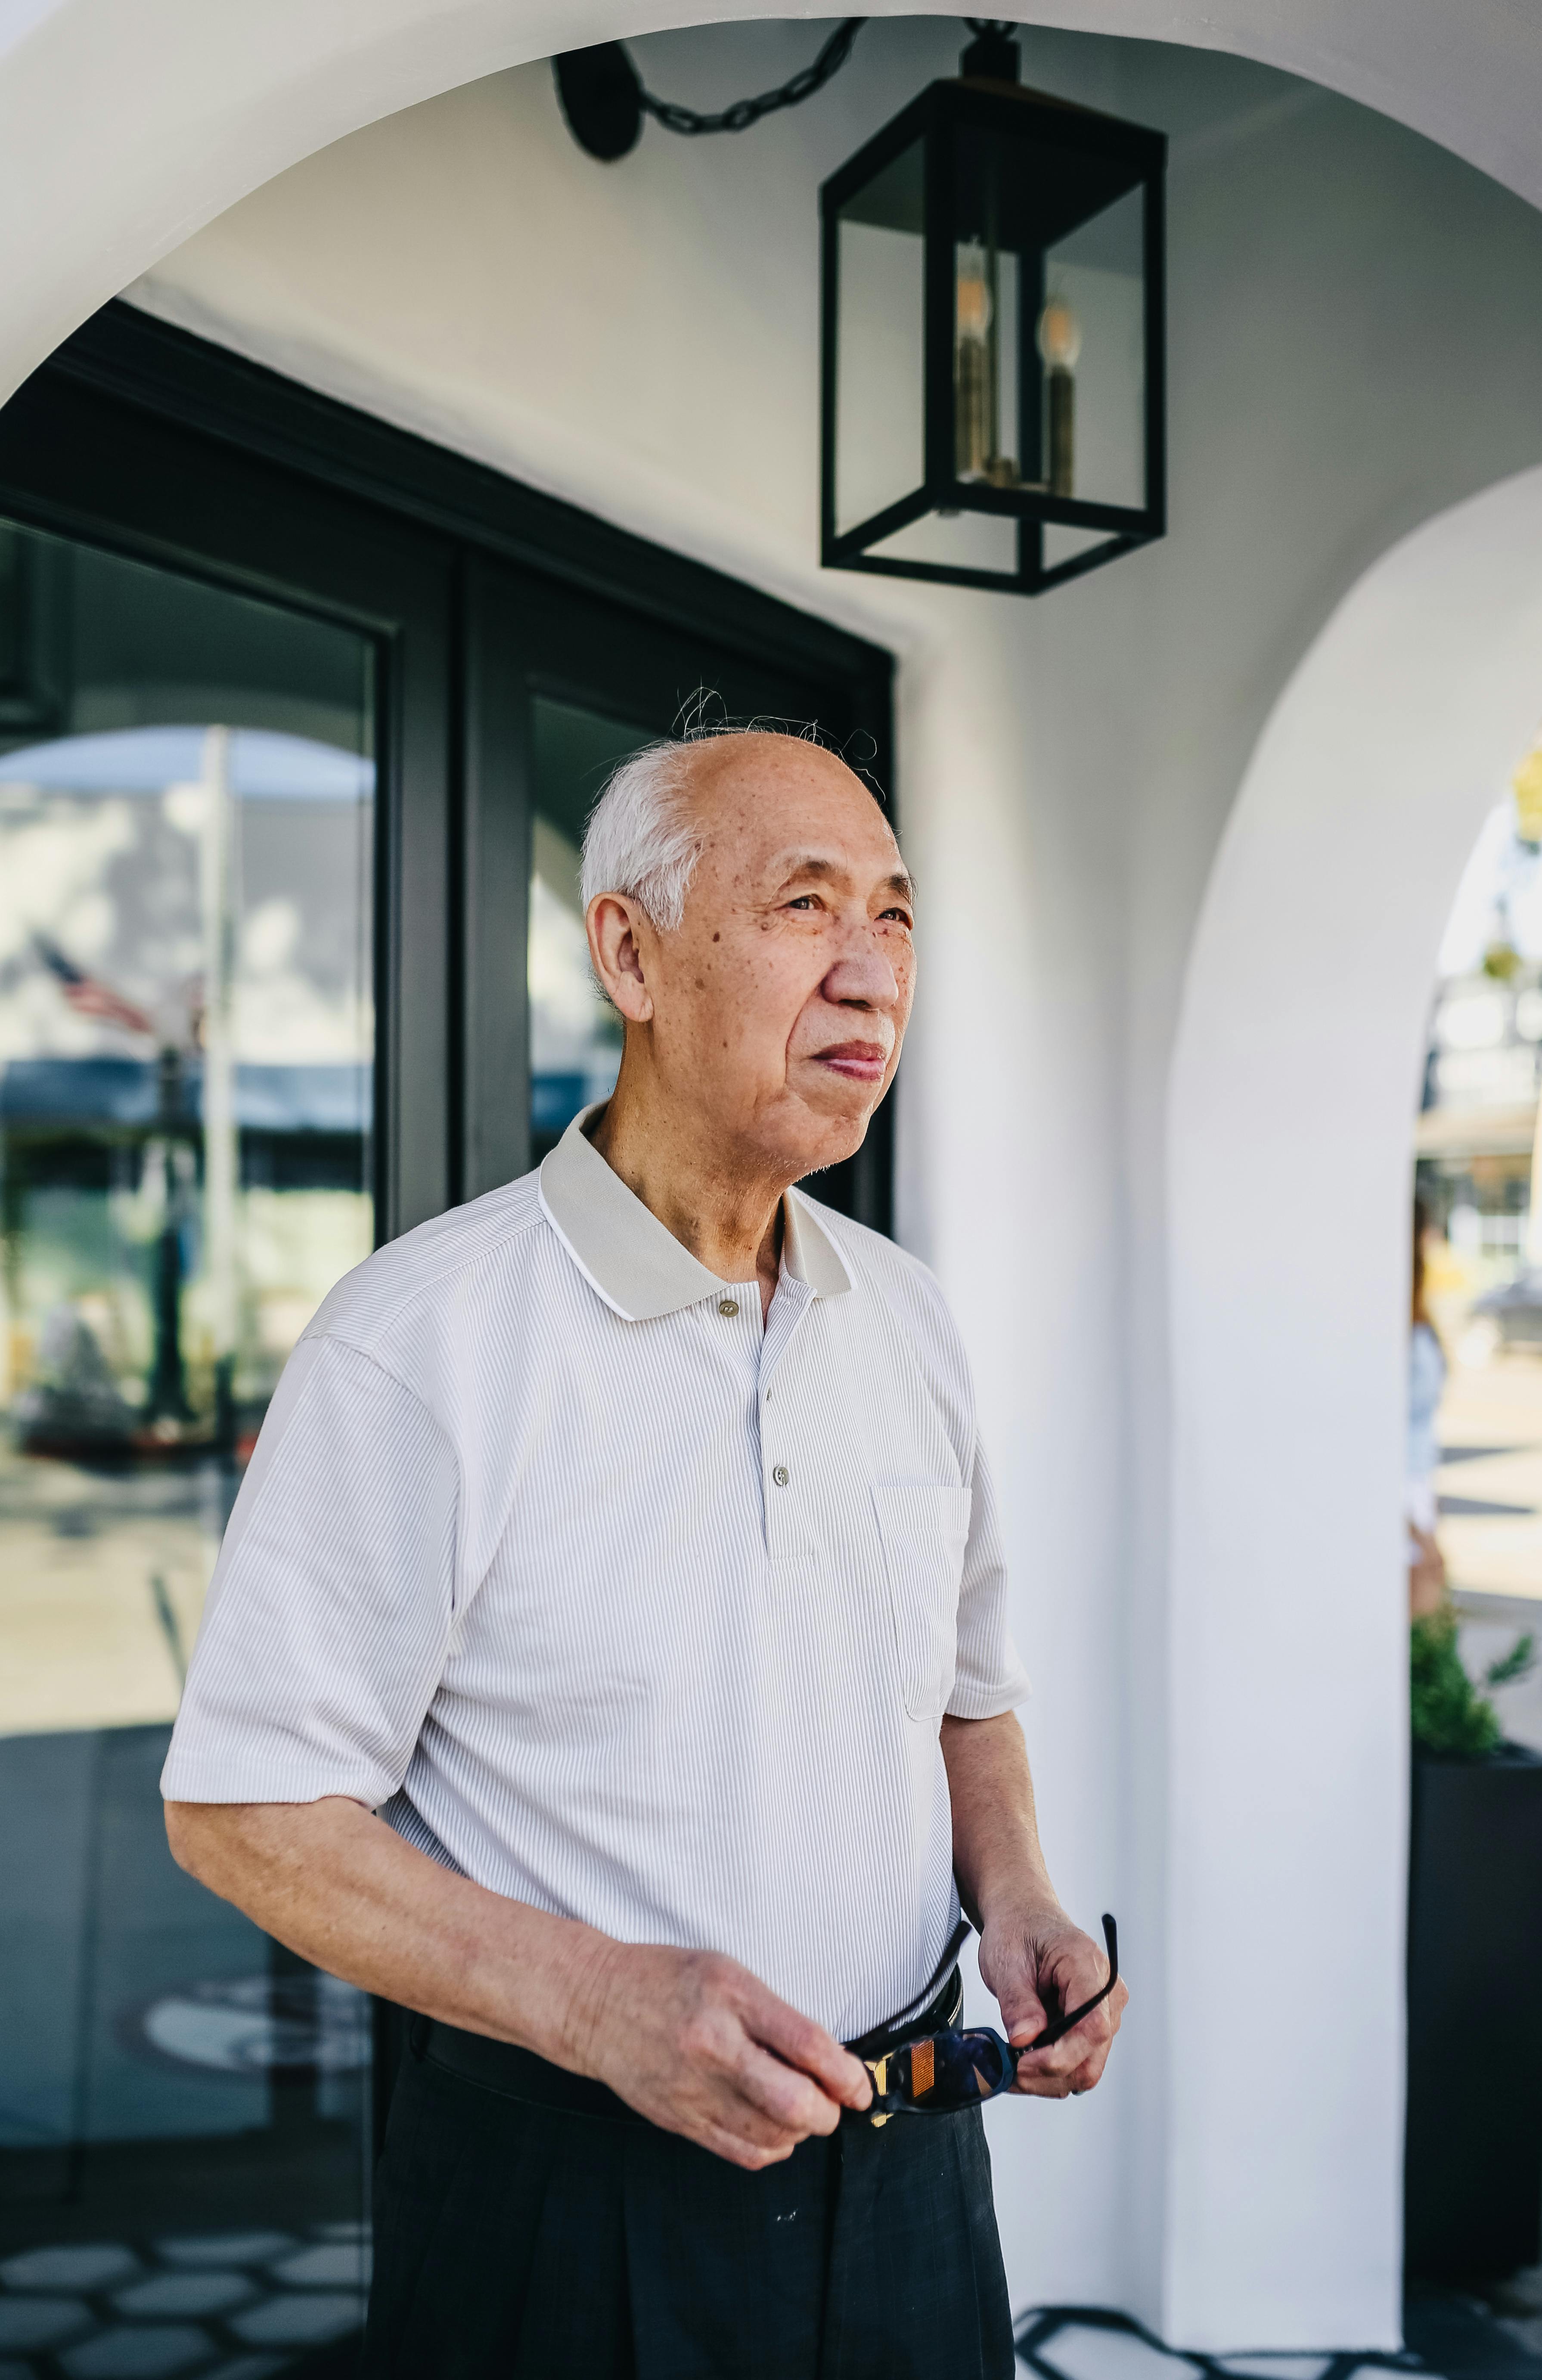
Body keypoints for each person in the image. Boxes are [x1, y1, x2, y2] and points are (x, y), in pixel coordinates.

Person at [161, 727, 1126, 2380]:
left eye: (896, 919)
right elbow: (247, 1809)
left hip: (913, 2177)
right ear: (631, 952)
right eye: (806, 905)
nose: (870, 973)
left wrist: (1018, 1886)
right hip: (569, 2198)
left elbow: (967, 1695)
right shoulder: (426, 1336)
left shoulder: (908, 1314)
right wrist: (594, 1996)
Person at [1409, 1197, 1448, 1619]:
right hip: (1403, 1509)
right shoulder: (1398, 1329)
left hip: (1417, 1496)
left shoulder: (1417, 1318)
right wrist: (1416, 1530)